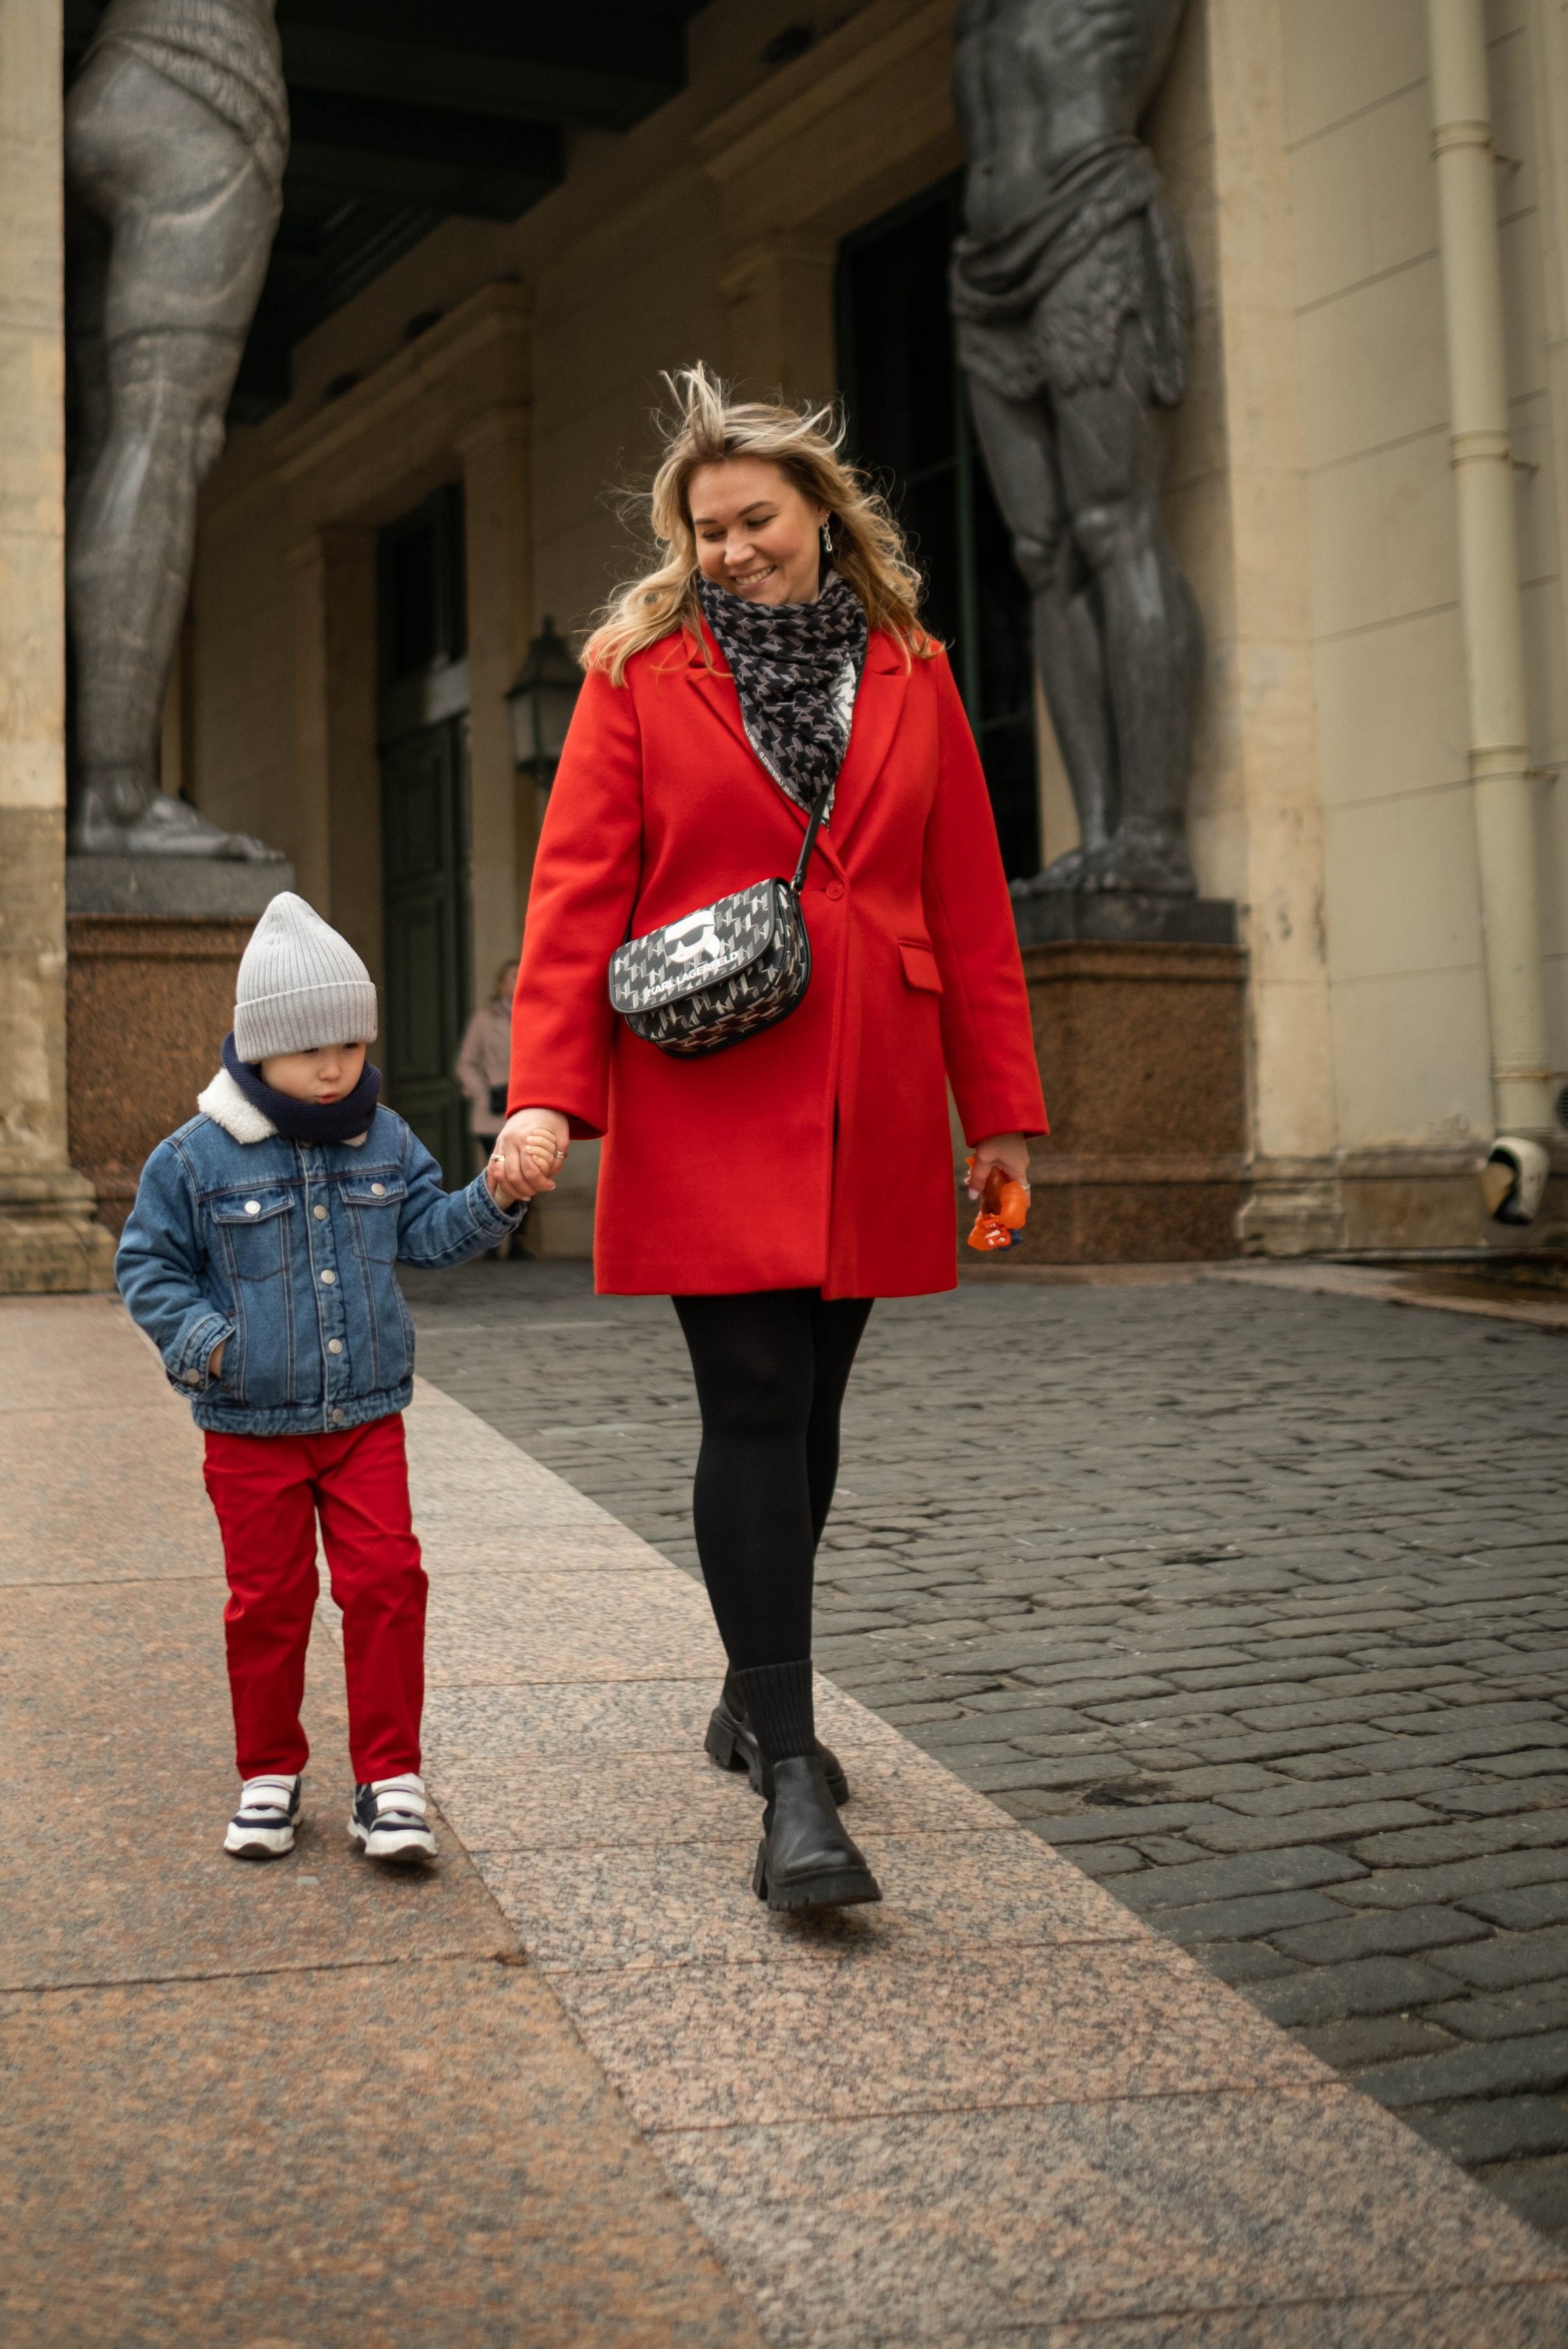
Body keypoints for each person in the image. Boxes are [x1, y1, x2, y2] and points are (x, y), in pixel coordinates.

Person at [495, 369, 1045, 1913]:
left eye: (752, 520)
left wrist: (995, 1110)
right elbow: (574, 892)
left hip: (875, 1083)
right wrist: (548, 1092)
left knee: (810, 1411)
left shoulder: (914, 670)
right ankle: (791, 1781)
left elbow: (965, 897)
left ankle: (748, 1690)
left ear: (819, 514)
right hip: (709, 1080)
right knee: (747, 1395)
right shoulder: (634, 668)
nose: (728, 548)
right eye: (703, 528)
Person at [62, 0, 427, 856]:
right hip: (199, 76)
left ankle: (92, 779)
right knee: (166, 436)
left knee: (120, 441)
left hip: (129, 61)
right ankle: (109, 793)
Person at [819, 0, 1203, 896]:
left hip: (1090, 227)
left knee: (1115, 528)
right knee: (1043, 559)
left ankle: (1153, 834)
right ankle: (1099, 837)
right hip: (988, 273)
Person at [115, 890, 540, 1863]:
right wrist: (209, 1343)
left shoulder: (383, 1138)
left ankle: (390, 1779)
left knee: (388, 1582)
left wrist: (499, 1193)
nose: (333, 1066)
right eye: (311, 1049)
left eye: (348, 1046)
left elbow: (428, 1236)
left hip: (364, 1420)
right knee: (268, 1604)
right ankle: (269, 1771)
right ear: (257, 1047)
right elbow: (146, 1266)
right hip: (248, 1427)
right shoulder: (196, 1157)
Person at [455, 959, 529, 1257]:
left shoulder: (533, 1014)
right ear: (500, 984)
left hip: (524, 1107)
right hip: (491, 1111)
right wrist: (484, 1094)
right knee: (496, 1174)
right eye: (512, 975)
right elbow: (466, 1063)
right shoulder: (484, 1020)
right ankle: (488, 1241)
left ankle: (518, 1243)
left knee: (526, 1172)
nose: (518, 979)